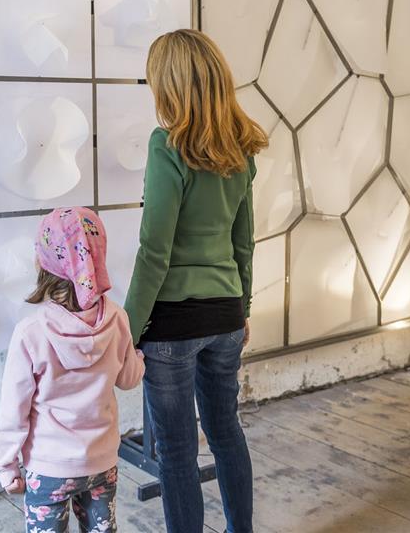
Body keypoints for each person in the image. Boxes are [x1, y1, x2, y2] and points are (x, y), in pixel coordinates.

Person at [124, 29, 268, 533]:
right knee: (226, 432)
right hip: (225, 314)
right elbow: (244, 242)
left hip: (172, 325)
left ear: (169, 85)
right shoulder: (241, 151)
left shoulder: (166, 146)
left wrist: (127, 329)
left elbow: (154, 250)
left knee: (178, 452)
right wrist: (242, 309)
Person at [0, 205, 146, 533]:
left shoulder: (31, 332)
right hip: (101, 462)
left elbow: (13, 408)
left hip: (49, 468)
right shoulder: (117, 319)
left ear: (43, 262)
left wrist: (6, 465)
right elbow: (129, 379)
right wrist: (139, 358)